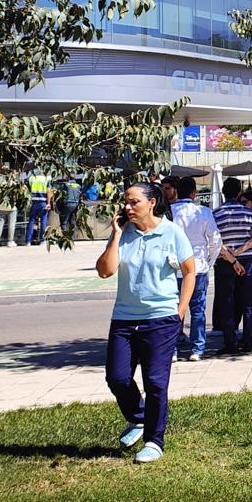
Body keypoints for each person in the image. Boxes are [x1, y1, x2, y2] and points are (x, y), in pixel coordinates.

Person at [95, 182, 195, 464]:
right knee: (116, 378)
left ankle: (154, 440)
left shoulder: (172, 233)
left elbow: (190, 272)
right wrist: (115, 235)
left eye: (134, 201)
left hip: (161, 319)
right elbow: (105, 272)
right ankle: (138, 419)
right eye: (126, 201)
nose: (127, 206)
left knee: (155, 382)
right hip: (124, 319)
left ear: (152, 203)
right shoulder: (123, 233)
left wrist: (180, 310)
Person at [170, 176, 221, 361]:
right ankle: (197, 349)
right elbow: (215, 240)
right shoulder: (204, 212)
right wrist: (210, 261)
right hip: (198, 265)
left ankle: (173, 348)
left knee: (175, 308)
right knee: (198, 308)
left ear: (177, 191)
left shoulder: (169, 212)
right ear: (194, 193)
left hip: (174, 267)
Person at [213, 177, 252, 353]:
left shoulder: (216, 213)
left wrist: (230, 255)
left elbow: (215, 240)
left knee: (227, 302)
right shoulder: (249, 213)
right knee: (248, 301)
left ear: (223, 193)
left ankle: (230, 342)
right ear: (239, 193)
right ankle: (248, 340)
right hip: (247, 259)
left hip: (225, 260)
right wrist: (239, 252)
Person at [24, 167, 52, 246]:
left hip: (34, 202)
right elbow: (49, 192)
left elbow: (25, 185)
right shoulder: (46, 179)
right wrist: (48, 203)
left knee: (31, 221)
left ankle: (28, 241)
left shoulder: (32, 178)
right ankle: (42, 240)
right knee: (43, 221)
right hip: (43, 202)